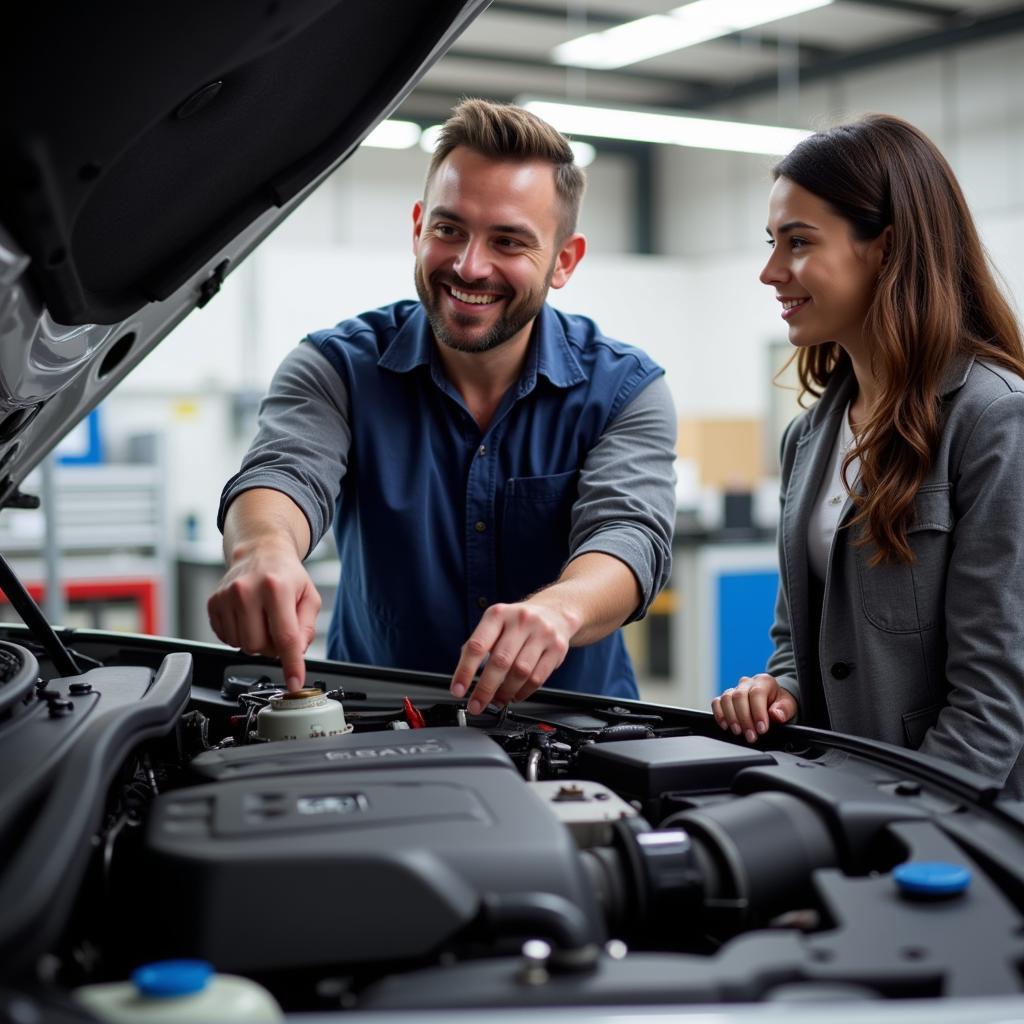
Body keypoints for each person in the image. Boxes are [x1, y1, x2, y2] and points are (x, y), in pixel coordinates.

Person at [209, 99, 676, 715]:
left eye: (508, 241)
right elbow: (286, 471)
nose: (468, 265)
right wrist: (263, 549)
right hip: (376, 722)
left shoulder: (625, 389)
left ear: (564, 260)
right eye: (448, 229)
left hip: (568, 728)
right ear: (417, 227)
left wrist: (559, 608)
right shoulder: (337, 366)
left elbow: (630, 534)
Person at [711, 114, 1024, 799]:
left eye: (798, 243)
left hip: (954, 821)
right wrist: (781, 687)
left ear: (885, 248)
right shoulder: (809, 436)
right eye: (773, 242)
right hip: (837, 788)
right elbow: (798, 639)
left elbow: (995, 701)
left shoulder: (995, 419)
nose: (769, 271)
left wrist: (894, 826)